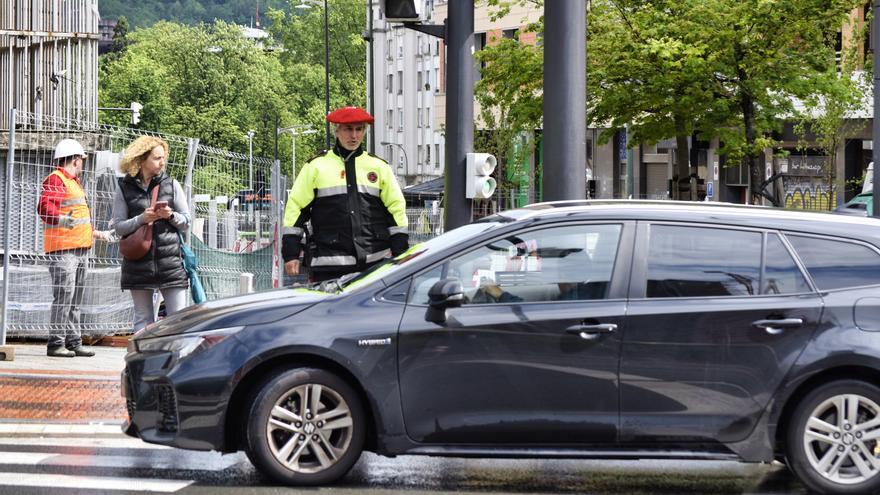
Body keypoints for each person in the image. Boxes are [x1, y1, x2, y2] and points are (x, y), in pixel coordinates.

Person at [282, 106, 409, 282]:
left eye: (359, 129)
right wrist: (291, 253)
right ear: (337, 130)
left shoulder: (379, 167)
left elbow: (396, 209)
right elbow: (296, 208)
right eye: (348, 129)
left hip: (374, 263)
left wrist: (400, 250)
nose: (354, 135)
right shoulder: (316, 167)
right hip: (328, 264)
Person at [110, 136, 191, 332]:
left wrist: (170, 215)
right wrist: (141, 219)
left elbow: (187, 221)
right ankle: (143, 353)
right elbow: (118, 227)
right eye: (157, 158)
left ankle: (175, 352)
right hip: (138, 264)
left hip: (170, 265)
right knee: (142, 319)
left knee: (178, 321)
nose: (162, 162)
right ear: (142, 159)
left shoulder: (171, 184)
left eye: (163, 157)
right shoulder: (124, 188)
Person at [38, 139, 105, 357]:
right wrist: (61, 219)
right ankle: (56, 343)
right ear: (76, 160)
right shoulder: (56, 179)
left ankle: (73, 341)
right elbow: (44, 207)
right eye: (82, 159)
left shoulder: (73, 182)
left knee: (74, 300)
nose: (82, 163)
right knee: (64, 297)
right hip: (63, 250)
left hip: (80, 247)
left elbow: (77, 216)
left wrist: (94, 232)